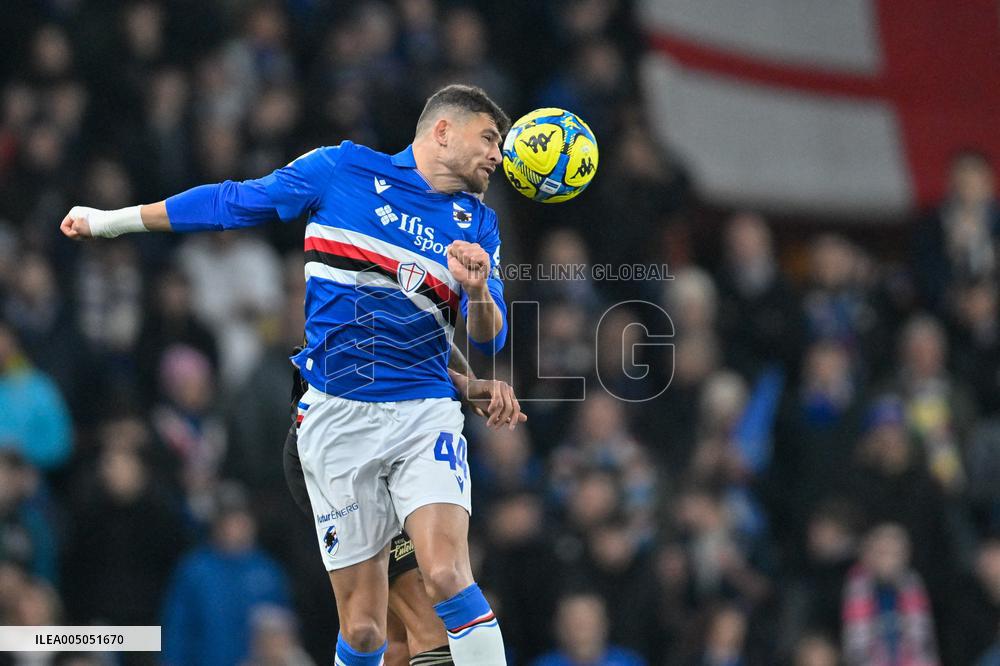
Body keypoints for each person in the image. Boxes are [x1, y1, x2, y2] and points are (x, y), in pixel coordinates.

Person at [61, 84, 517, 666]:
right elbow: (231, 201)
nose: (497, 156)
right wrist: (112, 223)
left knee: (448, 575)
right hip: (334, 421)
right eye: (489, 139)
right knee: (367, 631)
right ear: (443, 131)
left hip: (423, 415)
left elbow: (491, 337)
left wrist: (477, 289)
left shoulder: (478, 225)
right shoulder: (342, 170)